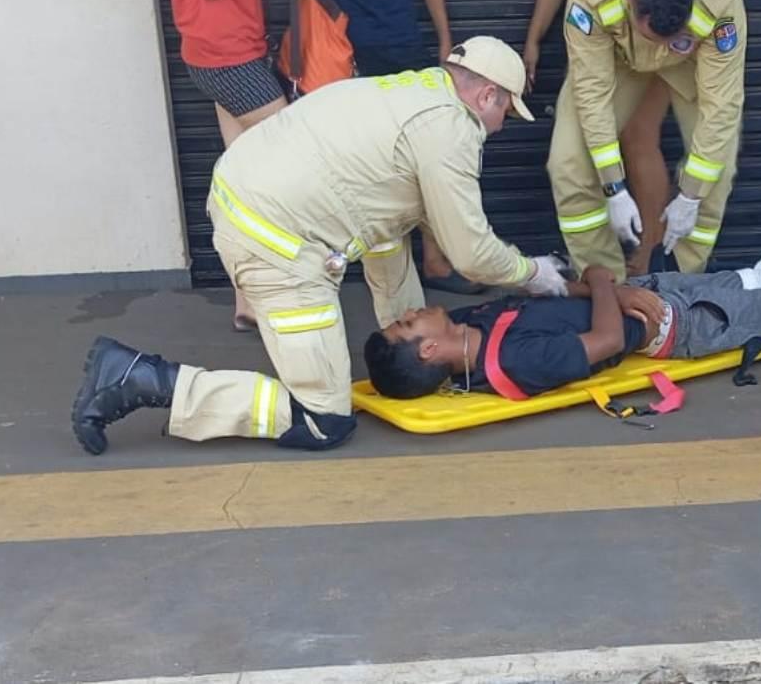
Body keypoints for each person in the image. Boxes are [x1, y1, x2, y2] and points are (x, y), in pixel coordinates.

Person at [70, 37, 570, 455]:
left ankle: (145, 377)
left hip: (252, 204)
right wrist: (535, 274)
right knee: (324, 417)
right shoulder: (450, 130)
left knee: (338, 343)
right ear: (486, 95)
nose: (504, 123)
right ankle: (142, 379)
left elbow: (385, 240)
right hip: (276, 242)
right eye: (507, 107)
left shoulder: (410, 94)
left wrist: (417, 343)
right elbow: (471, 253)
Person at [363, 238, 761, 400]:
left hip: (647, 292)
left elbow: (551, 299)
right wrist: (598, 280)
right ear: (429, 354)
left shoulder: (470, 323)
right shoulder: (513, 361)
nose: (411, 314)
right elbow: (608, 338)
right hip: (686, 327)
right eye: (407, 327)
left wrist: (607, 284)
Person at [547, 0, 746, 282]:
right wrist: (614, 188)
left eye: (672, 37)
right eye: (656, 36)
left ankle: (680, 282)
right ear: (630, 3)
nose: (664, 46)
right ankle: (606, 285)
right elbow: (591, 92)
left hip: (693, 60)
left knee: (717, 169)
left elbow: (722, 104)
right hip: (619, 56)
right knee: (569, 162)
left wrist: (691, 196)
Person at [303, 0, 473, 293]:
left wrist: (444, 36)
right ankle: (368, 268)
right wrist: (320, 44)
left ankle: (435, 260)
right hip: (346, 48)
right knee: (357, 162)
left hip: (400, 40)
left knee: (420, 151)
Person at [148, 0, 289, 330]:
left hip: (227, 51)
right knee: (292, 155)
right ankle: (274, 288)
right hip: (227, 56)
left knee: (245, 182)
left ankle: (247, 299)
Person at [523, 0, 672, 275]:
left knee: (638, 139)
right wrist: (534, 37)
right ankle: (602, 273)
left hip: (646, 39)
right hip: (591, 40)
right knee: (573, 157)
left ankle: (649, 264)